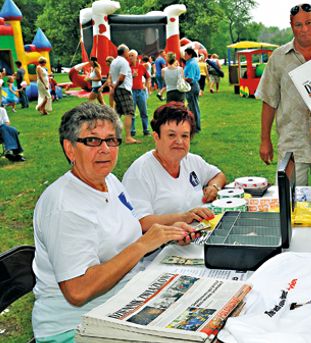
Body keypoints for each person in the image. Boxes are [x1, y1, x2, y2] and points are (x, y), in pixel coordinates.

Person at [32, 103, 195, 342]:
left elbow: (125, 235)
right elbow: (78, 291)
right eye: (92, 141)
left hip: (125, 303)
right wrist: (143, 245)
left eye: (111, 140)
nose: (105, 149)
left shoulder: (110, 181)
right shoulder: (64, 207)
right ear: (70, 149)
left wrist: (166, 233)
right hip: (77, 327)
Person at [256, 3, 311, 186]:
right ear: (291, 25)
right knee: (289, 203)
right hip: (292, 144)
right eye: (298, 24)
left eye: (309, 22)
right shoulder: (278, 57)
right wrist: (264, 140)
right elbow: (269, 101)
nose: (304, 29)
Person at [123, 102, 225, 234]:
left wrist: (214, 187)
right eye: (171, 135)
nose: (179, 142)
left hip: (198, 236)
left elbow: (218, 175)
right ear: (156, 137)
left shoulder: (191, 160)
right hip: (160, 249)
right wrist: (184, 217)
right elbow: (140, 222)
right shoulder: (140, 172)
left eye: (184, 136)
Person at [109, 44, 140, 144]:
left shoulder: (114, 61)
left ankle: (112, 135)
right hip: (123, 89)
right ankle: (128, 137)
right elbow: (122, 77)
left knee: (118, 113)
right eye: (128, 52)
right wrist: (116, 85)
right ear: (125, 52)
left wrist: (113, 86)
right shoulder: (124, 62)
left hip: (117, 89)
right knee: (129, 112)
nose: (129, 53)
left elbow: (111, 76)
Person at [128, 49, 151, 137]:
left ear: (136, 57)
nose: (130, 57)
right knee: (132, 112)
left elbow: (148, 77)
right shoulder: (127, 67)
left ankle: (146, 130)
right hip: (131, 92)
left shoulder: (141, 67)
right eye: (129, 56)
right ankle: (132, 131)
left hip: (141, 91)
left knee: (144, 112)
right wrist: (131, 76)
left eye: (132, 56)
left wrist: (148, 85)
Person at [183, 48, 202, 132]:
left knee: (193, 107)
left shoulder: (191, 64)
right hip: (192, 86)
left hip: (192, 86)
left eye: (185, 54)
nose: (184, 56)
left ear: (190, 55)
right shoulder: (191, 62)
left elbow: (190, 78)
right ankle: (194, 126)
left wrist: (182, 79)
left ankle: (196, 127)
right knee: (192, 106)